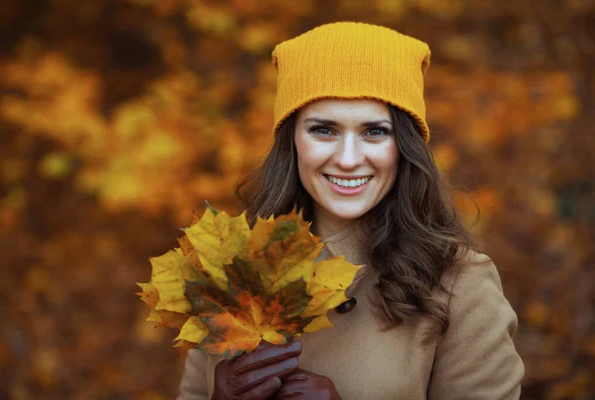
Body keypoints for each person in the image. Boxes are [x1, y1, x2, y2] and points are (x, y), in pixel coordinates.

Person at [177, 21, 525, 399]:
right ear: (291, 140)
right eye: (323, 130)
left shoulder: (460, 284)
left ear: (405, 146)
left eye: (375, 132)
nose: (347, 159)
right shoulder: (233, 271)